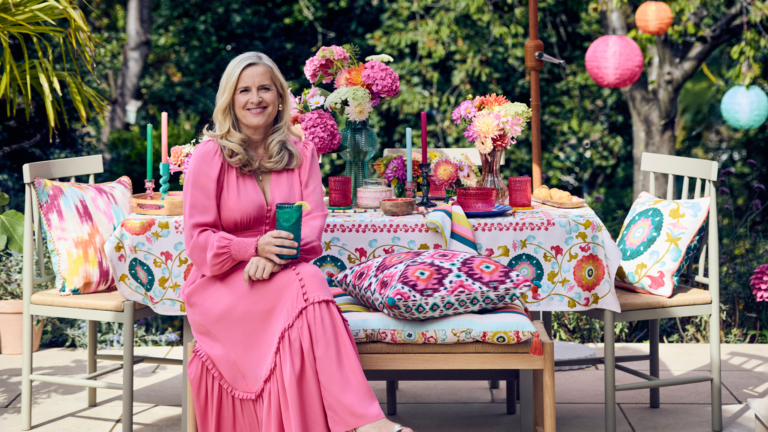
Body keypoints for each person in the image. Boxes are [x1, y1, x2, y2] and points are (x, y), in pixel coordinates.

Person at [181, 52, 414, 432]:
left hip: (282, 272)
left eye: (264, 88)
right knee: (310, 281)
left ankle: (353, 421)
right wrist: (251, 249)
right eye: (244, 90)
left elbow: (312, 223)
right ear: (230, 99)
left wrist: (274, 257)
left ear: (279, 97)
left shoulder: (301, 152)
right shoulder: (210, 156)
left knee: (306, 280)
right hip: (222, 282)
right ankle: (364, 421)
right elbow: (197, 240)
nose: (255, 98)